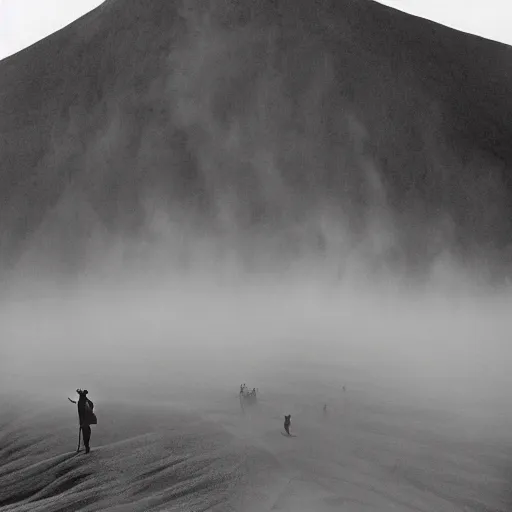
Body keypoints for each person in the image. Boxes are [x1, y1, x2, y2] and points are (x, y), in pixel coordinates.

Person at [68, 389, 95, 453]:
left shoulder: (82, 402)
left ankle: (86, 447)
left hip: (84, 422)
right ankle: (86, 447)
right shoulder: (84, 401)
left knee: (85, 434)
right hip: (85, 422)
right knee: (86, 434)